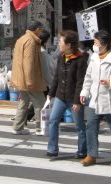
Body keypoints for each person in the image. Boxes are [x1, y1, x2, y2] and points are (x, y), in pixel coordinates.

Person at [79, 30, 111, 168]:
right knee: (91, 127)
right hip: (94, 99)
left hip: (110, 100)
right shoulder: (94, 57)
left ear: (104, 44)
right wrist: (84, 92)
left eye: (96, 42)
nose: (94, 45)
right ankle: (91, 154)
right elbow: (88, 77)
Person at [47, 30, 88, 158]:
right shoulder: (61, 56)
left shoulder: (80, 59)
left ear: (69, 45)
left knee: (80, 125)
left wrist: (77, 101)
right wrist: (51, 93)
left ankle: (82, 151)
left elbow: (81, 82)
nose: (59, 43)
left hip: (73, 97)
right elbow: (57, 77)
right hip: (60, 95)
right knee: (53, 121)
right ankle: (52, 149)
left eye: (61, 41)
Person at [10, 21, 47, 135]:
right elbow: (28, 62)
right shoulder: (31, 41)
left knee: (23, 101)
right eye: (40, 30)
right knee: (40, 103)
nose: (41, 32)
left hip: (21, 78)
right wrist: (30, 80)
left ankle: (18, 127)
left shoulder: (21, 39)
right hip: (29, 79)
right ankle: (40, 128)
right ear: (37, 29)